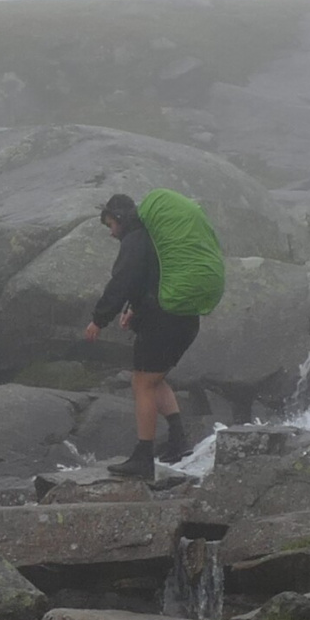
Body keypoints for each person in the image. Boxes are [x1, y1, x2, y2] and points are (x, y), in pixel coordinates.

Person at [80, 189, 225, 478]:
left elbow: (122, 281)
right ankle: (178, 441)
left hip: (163, 322)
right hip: (184, 318)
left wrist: (99, 319)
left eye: (111, 225)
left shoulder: (135, 239)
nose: (111, 232)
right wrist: (134, 309)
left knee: (142, 383)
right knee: (154, 379)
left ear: (120, 218)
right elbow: (151, 280)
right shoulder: (156, 240)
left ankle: (143, 458)